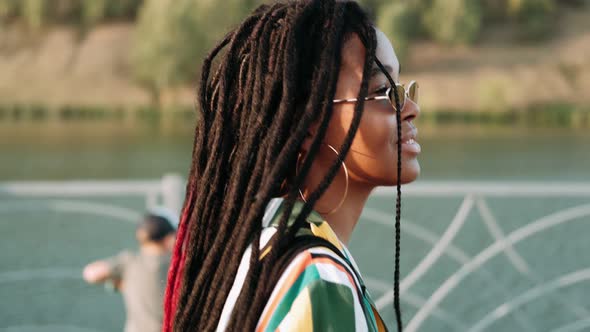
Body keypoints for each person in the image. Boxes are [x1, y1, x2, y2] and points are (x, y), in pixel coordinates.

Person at [164, 1, 421, 331]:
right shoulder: (319, 282)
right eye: (383, 90)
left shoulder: (264, 250)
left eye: (401, 89)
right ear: (307, 119)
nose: (410, 108)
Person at [83, 212, 176, 332]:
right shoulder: (175, 265)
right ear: (168, 238)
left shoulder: (129, 262)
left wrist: (120, 283)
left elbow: (91, 274)